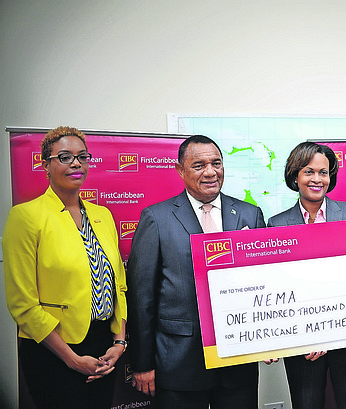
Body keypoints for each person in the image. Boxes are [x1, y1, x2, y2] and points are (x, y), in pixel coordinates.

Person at [127, 135, 266, 409]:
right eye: (199, 165)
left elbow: (264, 283)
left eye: (216, 163)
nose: (211, 172)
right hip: (179, 361)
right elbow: (142, 298)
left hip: (237, 362)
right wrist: (142, 363)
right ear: (181, 170)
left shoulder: (250, 215)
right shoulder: (157, 218)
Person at [3, 126, 128, 409]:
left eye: (82, 157)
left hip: (103, 347)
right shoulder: (26, 217)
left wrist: (118, 343)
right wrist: (71, 359)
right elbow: (23, 304)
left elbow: (119, 285)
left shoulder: (102, 215)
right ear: (45, 163)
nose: (76, 164)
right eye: (64, 157)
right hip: (53, 350)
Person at [266, 142, 346, 409]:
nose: (317, 179)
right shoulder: (277, 224)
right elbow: (276, 286)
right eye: (308, 171)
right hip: (304, 345)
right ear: (295, 176)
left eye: (323, 172)